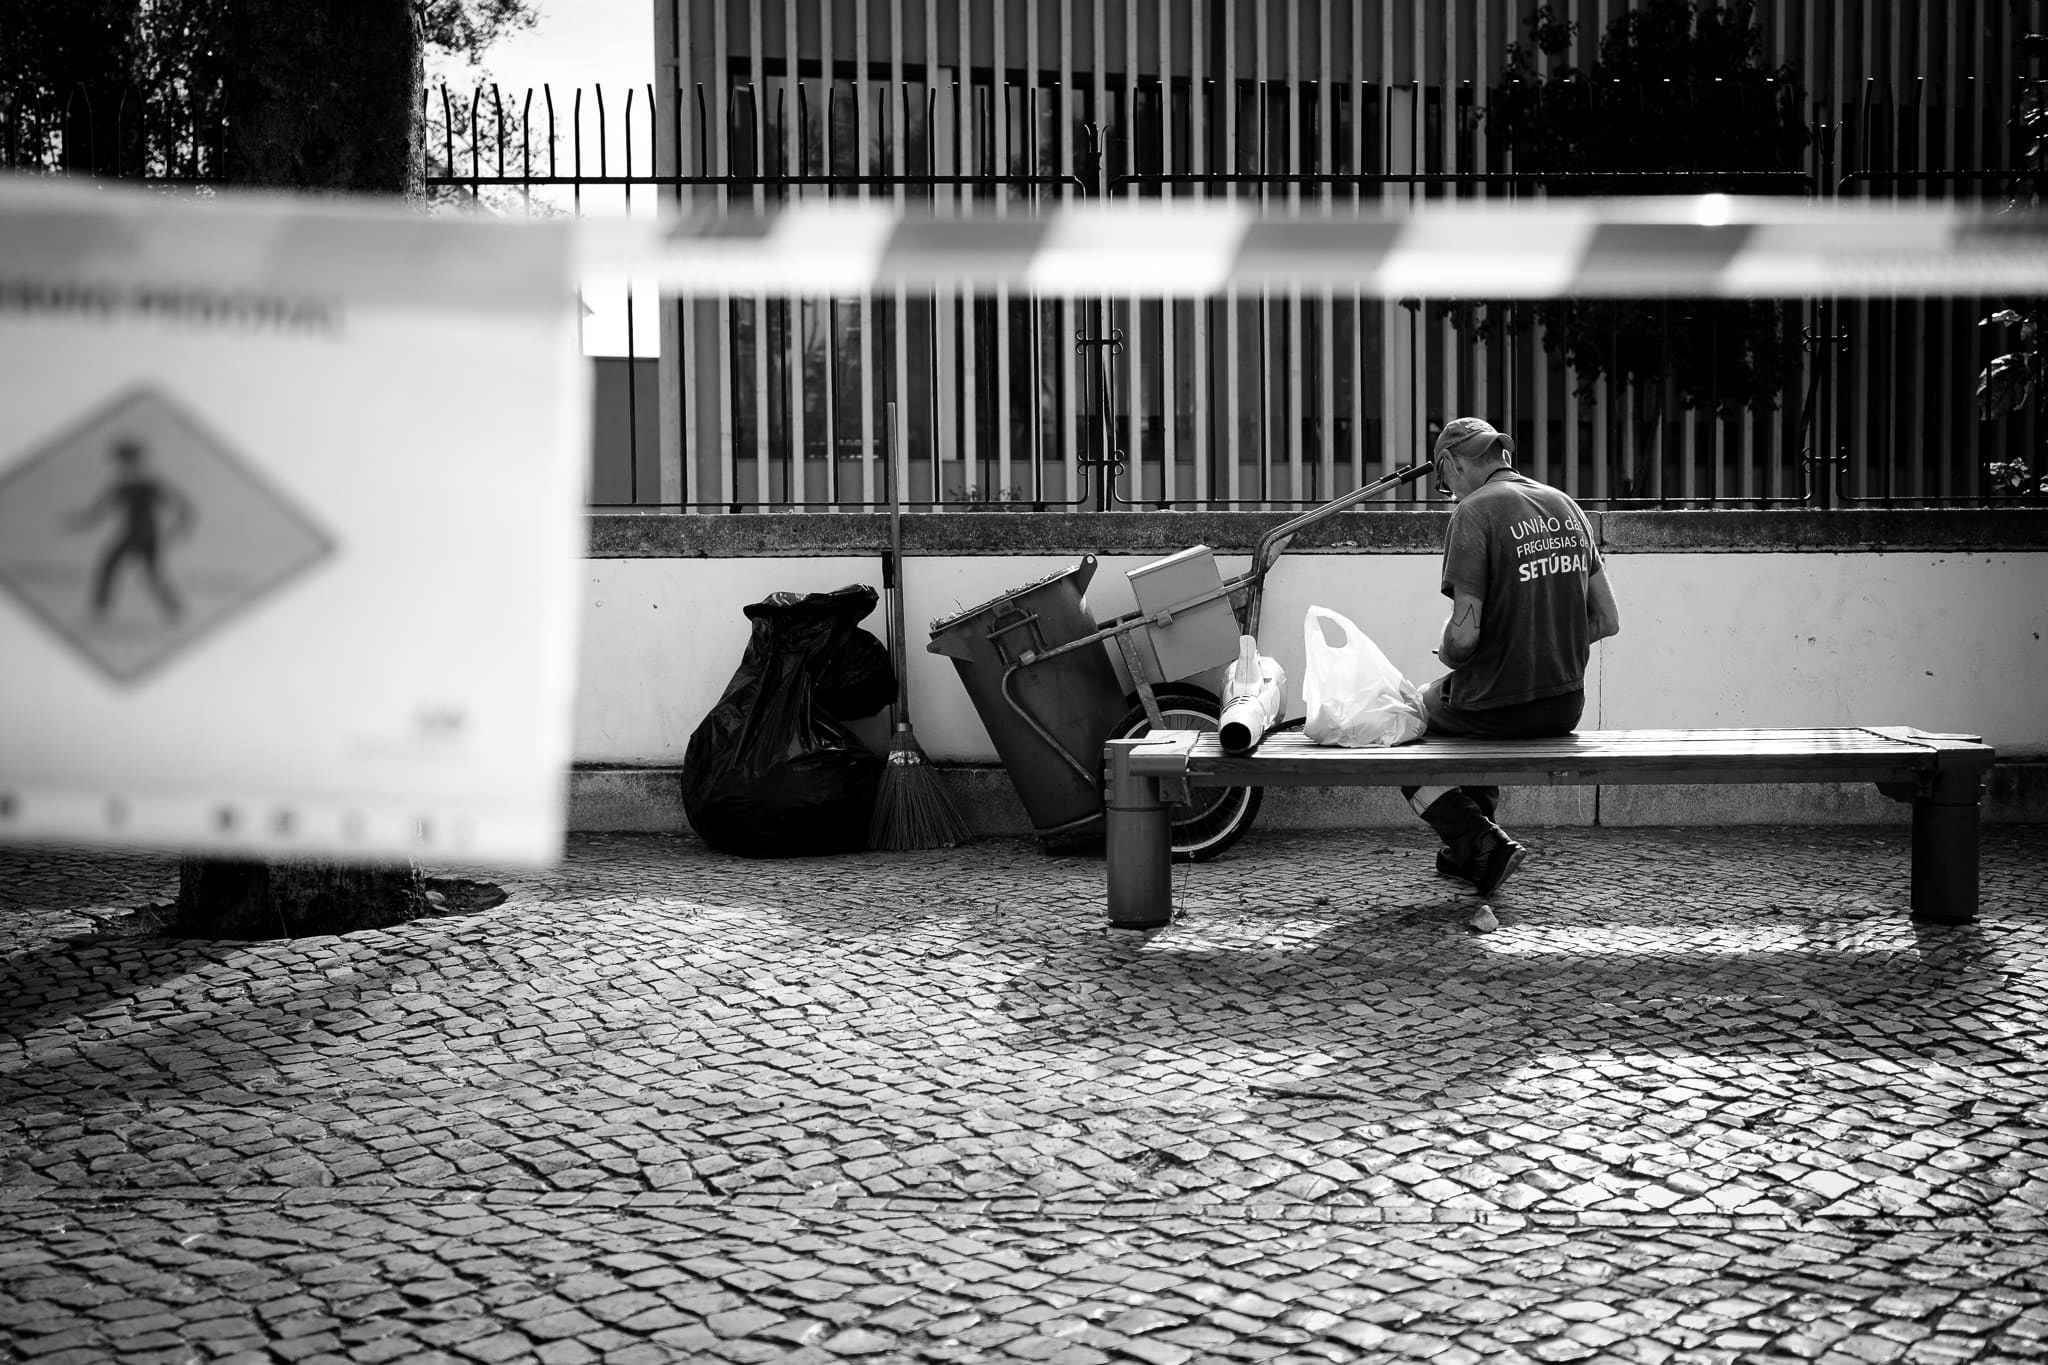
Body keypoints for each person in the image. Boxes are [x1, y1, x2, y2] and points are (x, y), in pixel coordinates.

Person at [1408, 416, 1622, 896]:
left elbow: (1464, 637)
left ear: (1449, 464)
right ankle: (1469, 852)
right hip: (1564, 705)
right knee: (1459, 716)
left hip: (1501, 704)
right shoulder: (1567, 506)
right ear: (1500, 455)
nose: (1453, 495)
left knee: (1403, 722)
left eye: (1447, 485)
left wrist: (1449, 651)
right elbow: (1607, 620)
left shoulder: (1474, 513)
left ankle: (1476, 839)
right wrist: (1541, 640)